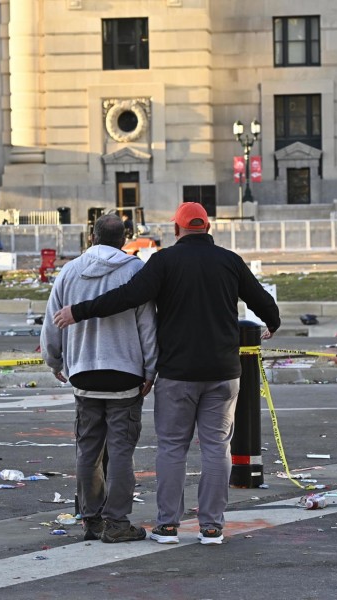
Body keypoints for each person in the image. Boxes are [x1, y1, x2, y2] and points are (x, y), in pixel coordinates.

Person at [53, 202, 280, 546]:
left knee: (173, 448)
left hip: (177, 374)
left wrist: (78, 312)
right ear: (207, 228)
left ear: (176, 230)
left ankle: (168, 525)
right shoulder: (230, 261)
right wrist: (272, 323)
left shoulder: (164, 262)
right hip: (223, 372)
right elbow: (262, 301)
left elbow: (127, 298)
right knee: (217, 446)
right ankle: (211, 527)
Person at [41, 213, 157, 544]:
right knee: (121, 450)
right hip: (125, 372)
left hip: (83, 373)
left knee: (88, 449)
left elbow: (52, 322)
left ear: (91, 237)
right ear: (124, 240)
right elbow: (147, 326)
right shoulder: (135, 271)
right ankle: (117, 523)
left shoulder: (70, 271)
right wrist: (151, 369)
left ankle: (91, 520)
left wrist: (54, 359)